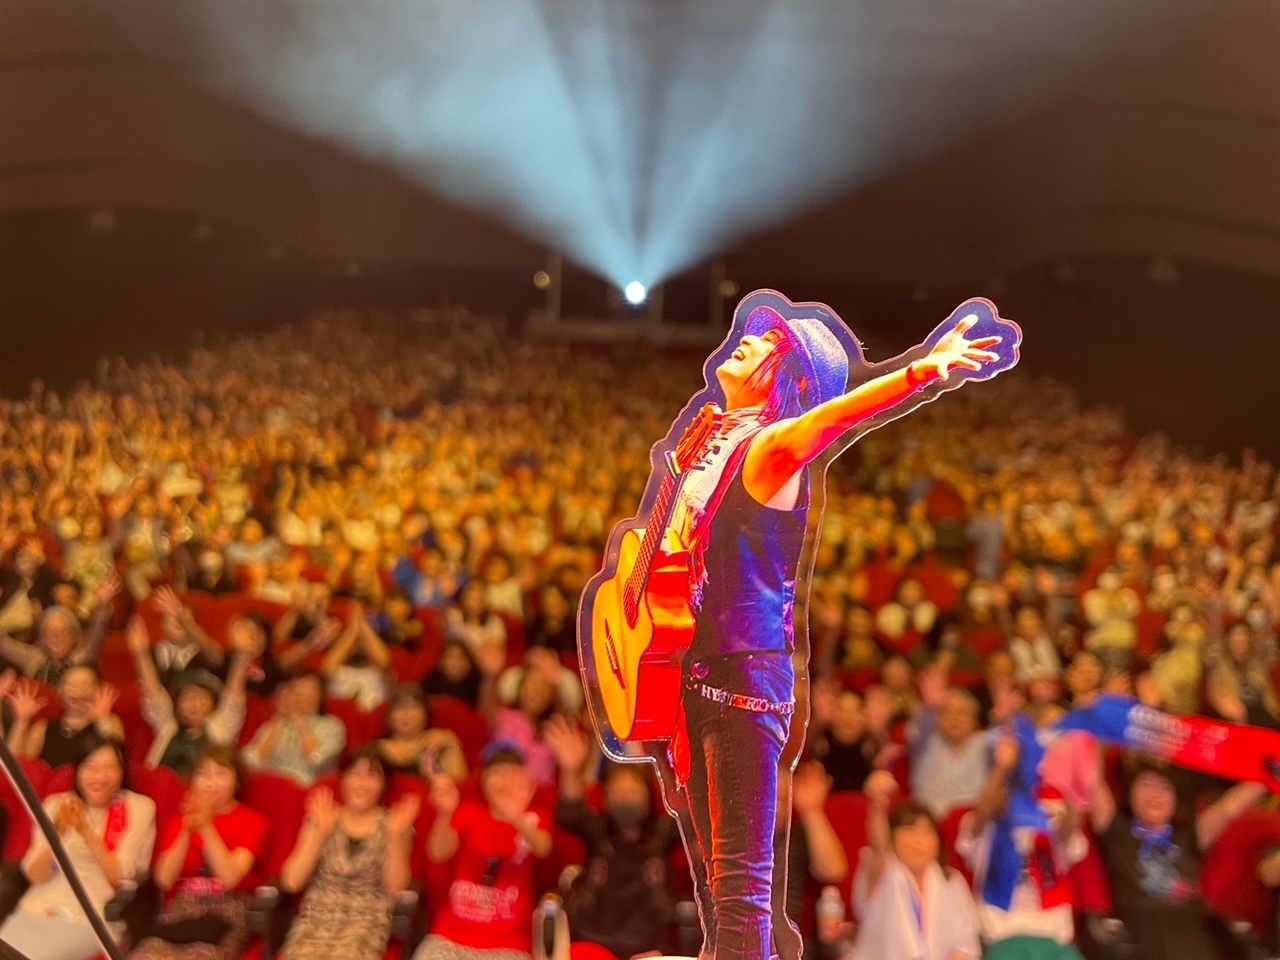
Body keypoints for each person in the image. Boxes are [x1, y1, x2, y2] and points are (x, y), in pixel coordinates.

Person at [625, 305, 1004, 960]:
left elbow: (830, 423)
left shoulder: (770, 448)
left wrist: (919, 372)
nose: (747, 339)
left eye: (767, 341)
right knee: (725, 889)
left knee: (739, 889)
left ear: (786, 379)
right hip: (707, 671)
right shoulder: (718, 442)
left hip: (741, 678)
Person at [1090, 754, 1269, 960]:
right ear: (1129, 794)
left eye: (1165, 787)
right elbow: (1093, 780)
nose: (1155, 794)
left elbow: (1229, 808)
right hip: (1140, 939)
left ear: (1176, 799)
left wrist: (1270, 773)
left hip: (1193, 938)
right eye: (1146, 785)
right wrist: (1091, 725)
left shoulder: (1188, 836)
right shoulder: (1117, 832)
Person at [0, 739, 156, 960]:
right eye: (90, 767)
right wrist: (59, 832)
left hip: (90, 917)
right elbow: (34, 875)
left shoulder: (138, 808)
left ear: (122, 771)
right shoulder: (57, 804)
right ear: (78, 771)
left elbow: (121, 876)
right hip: (39, 908)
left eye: (109, 767)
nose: (100, 777)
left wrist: (86, 831)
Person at [545, 715, 679, 959]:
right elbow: (571, 814)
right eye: (618, 791)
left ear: (648, 796)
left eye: (633, 790)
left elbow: (690, 821)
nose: (626, 795)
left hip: (648, 945)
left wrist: (669, 769)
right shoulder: (597, 830)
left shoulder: (664, 831)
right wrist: (571, 771)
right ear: (606, 798)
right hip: (593, 940)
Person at [955, 733, 1088, 960]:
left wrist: (1066, 772)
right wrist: (1001, 768)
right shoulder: (985, 831)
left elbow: (1070, 826)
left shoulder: (1050, 829)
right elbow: (983, 810)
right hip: (1003, 939)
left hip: (1054, 942)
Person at [415, 741, 553, 960]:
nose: (505, 780)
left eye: (512, 772)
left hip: (509, 945)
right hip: (450, 936)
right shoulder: (469, 812)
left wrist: (515, 817)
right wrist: (445, 814)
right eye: (496, 772)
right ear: (483, 779)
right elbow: (438, 854)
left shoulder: (533, 818)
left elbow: (543, 848)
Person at [278, 748, 420, 960]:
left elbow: (397, 889)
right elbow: (291, 881)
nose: (361, 783)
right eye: (354, 773)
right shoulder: (323, 816)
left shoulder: (396, 824)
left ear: (384, 785)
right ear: (343, 779)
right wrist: (319, 833)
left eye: (372, 775)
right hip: (315, 921)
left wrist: (393, 838)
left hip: (366, 926)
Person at [131, 745, 269, 960]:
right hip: (183, 909)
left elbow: (230, 878)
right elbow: (164, 880)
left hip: (228, 910)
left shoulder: (253, 821)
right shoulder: (178, 821)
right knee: (145, 953)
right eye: (203, 774)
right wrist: (187, 828)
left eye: (221, 774)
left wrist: (206, 827)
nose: (211, 783)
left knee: (203, 955)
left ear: (237, 781)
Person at [851, 770, 980, 960]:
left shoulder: (952, 881)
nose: (919, 840)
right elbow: (879, 847)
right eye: (910, 829)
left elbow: (965, 943)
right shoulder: (883, 873)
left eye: (928, 831)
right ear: (892, 836)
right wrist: (877, 807)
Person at [127, 616, 248, 776]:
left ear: (213, 704)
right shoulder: (168, 725)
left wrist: (241, 657)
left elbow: (233, 700)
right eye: (188, 698)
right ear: (177, 704)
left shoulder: (221, 726)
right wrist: (142, 654)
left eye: (202, 698)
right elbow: (155, 694)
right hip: (165, 793)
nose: (195, 704)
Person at [909, 668, 989, 819]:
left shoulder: (982, 743)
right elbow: (922, 726)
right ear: (937, 718)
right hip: (929, 826)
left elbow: (1010, 747)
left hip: (971, 828)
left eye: (962, 712)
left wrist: (1005, 720)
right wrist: (930, 708)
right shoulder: (925, 741)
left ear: (974, 720)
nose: (955, 718)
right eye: (947, 711)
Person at [7, 666, 124, 767]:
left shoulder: (109, 721)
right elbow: (15, 766)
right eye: (71, 684)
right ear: (60, 690)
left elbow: (118, 760)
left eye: (84, 685)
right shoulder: (43, 728)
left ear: (97, 690)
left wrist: (102, 720)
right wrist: (21, 721)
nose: (77, 690)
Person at [243, 672, 346, 786]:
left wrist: (299, 719)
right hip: (270, 785)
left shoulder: (331, 725)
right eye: (298, 688)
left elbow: (316, 758)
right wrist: (278, 721)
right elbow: (253, 761)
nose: (301, 695)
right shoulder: (273, 724)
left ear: (320, 695)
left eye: (309, 689)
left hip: (307, 787)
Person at [375, 685, 468, 780]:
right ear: (389, 716)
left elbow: (461, 784)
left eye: (413, 707)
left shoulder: (439, 743)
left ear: (426, 715)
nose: (406, 714)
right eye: (400, 708)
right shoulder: (377, 749)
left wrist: (452, 743)